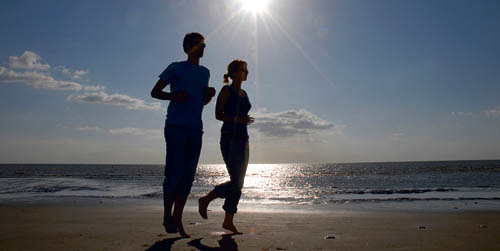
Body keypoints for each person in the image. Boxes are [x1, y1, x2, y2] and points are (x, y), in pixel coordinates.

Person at [151, 32, 216, 238]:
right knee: (174, 174)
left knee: (188, 177)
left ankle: (178, 218)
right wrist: (173, 96)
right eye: (200, 44)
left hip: (196, 129)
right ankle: (166, 216)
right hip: (175, 127)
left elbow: (201, 103)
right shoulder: (175, 67)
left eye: (204, 45)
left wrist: (208, 97)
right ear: (189, 47)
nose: (204, 48)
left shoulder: (205, 72)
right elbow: (154, 92)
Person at [198, 59, 254, 234]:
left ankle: (228, 221)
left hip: (243, 139)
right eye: (243, 70)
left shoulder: (244, 92)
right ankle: (206, 199)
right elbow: (218, 114)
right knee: (236, 182)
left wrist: (244, 121)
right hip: (230, 138)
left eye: (246, 70)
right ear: (234, 72)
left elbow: (241, 114)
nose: (246, 72)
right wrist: (238, 119)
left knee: (239, 182)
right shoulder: (226, 90)